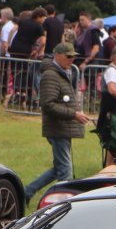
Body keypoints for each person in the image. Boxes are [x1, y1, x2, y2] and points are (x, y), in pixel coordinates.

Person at [26, 42, 94, 202]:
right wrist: (74, 114)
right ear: (57, 56)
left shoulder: (61, 73)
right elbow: (48, 104)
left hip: (63, 127)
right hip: (58, 128)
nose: (72, 60)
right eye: (69, 56)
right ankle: (63, 204)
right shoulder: (51, 75)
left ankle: (27, 192)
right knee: (65, 171)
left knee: (59, 169)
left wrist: (75, 114)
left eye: (73, 57)